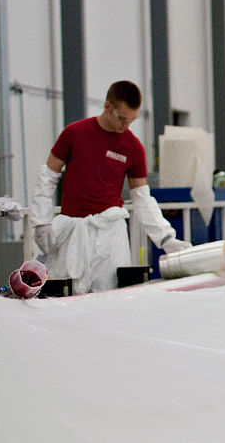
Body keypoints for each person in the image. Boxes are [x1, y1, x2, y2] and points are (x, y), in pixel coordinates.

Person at [29, 81, 191, 293]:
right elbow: (48, 176)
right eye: (122, 118)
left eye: (132, 120)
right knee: (67, 296)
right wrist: (41, 221)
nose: (126, 125)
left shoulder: (132, 147)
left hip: (110, 236)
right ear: (107, 107)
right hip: (73, 233)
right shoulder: (74, 133)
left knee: (109, 294)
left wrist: (166, 238)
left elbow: (142, 197)